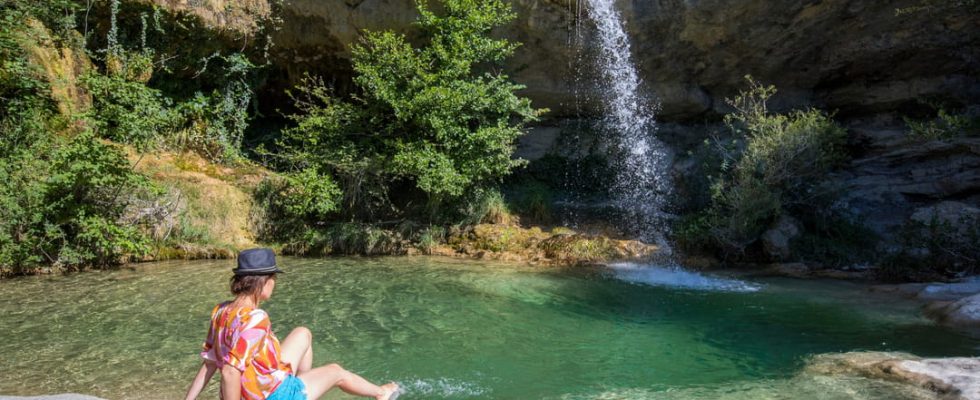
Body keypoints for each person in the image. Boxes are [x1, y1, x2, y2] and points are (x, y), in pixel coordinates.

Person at [184, 248, 400, 400]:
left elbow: (211, 363)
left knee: (302, 333)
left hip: (263, 380)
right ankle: (381, 393)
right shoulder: (256, 318)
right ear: (264, 281)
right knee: (336, 371)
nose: (275, 283)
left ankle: (304, 385)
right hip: (271, 394)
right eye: (273, 278)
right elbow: (230, 372)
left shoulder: (221, 311)